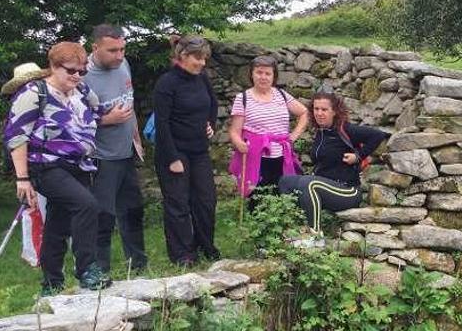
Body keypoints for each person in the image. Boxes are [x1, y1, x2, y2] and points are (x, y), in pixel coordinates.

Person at [2, 43, 112, 294]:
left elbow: (96, 113)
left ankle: (51, 282)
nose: (76, 76)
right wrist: (22, 178)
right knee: (87, 205)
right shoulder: (33, 93)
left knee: (58, 223)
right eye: (70, 70)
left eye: (81, 71)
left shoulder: (82, 90)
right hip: (46, 166)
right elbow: (17, 137)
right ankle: (87, 269)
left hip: (80, 165)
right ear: (53, 66)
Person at [278, 91, 388, 247]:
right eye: (316, 109)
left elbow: (377, 135)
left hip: (347, 191)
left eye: (324, 109)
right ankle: (295, 232)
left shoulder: (346, 129)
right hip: (326, 186)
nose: (319, 113)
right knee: (285, 181)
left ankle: (316, 238)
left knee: (309, 183)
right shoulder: (321, 133)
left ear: (334, 111)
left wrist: (358, 156)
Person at [85, 24, 148, 274]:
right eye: (113, 50)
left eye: (123, 49)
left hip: (127, 150)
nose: (119, 55)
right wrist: (105, 120)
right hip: (101, 156)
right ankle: (99, 269)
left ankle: (138, 263)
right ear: (95, 47)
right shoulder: (82, 76)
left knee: (133, 209)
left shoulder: (122, 65)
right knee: (103, 215)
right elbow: (71, 119)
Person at [152, 35, 219, 266]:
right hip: (173, 151)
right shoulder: (166, 83)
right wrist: (172, 158)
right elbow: (162, 123)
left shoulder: (202, 79)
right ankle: (182, 254)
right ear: (183, 56)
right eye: (197, 58)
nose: (202, 63)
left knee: (206, 200)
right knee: (178, 203)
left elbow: (213, 103)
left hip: (199, 150)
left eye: (204, 59)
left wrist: (211, 124)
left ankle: (205, 245)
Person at [228, 55, 307, 209]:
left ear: (274, 76)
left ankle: (281, 226)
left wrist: (294, 135)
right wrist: (238, 143)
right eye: (259, 72)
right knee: (257, 195)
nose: (263, 77)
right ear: (251, 74)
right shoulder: (243, 98)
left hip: (282, 154)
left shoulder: (282, 95)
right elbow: (234, 131)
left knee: (283, 191)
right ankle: (256, 228)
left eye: (267, 73)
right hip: (256, 155)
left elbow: (304, 113)